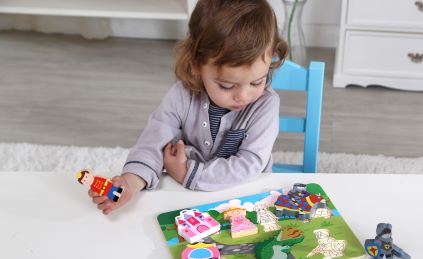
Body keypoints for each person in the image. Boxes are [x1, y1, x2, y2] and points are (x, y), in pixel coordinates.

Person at [89, 0, 288, 215]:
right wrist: (131, 181)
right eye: (227, 85)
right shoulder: (182, 96)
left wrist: (187, 173)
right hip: (185, 200)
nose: (243, 96)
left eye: (257, 82)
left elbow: (249, 164)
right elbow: (154, 140)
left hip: (245, 199)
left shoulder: (265, 104)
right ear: (197, 65)